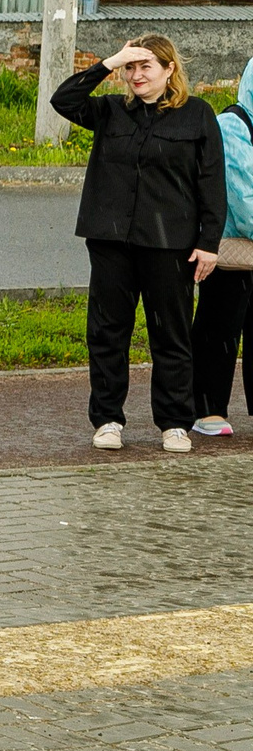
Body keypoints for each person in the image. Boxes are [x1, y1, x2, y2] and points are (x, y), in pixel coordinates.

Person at [52, 35, 224, 453]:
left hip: (171, 245)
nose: (136, 75)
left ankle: (174, 422)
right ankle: (108, 419)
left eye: (146, 65)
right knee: (108, 333)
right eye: (130, 67)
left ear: (169, 70)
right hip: (111, 240)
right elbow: (63, 100)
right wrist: (107, 62)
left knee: (171, 334)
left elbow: (212, 183)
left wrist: (209, 242)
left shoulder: (198, 115)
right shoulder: (110, 111)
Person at [190, 53, 253, 438]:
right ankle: (207, 408)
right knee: (220, 325)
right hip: (229, 248)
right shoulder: (231, 126)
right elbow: (243, 198)